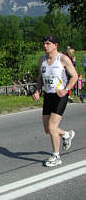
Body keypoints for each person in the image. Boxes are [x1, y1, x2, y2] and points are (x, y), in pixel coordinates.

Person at [32, 35, 78, 167]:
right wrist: (37, 91)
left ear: (55, 45)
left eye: (48, 43)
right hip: (48, 96)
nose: (45, 46)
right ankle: (66, 134)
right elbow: (40, 78)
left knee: (52, 127)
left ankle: (56, 156)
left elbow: (74, 76)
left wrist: (66, 89)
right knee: (48, 129)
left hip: (60, 95)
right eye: (44, 43)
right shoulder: (42, 60)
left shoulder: (63, 59)